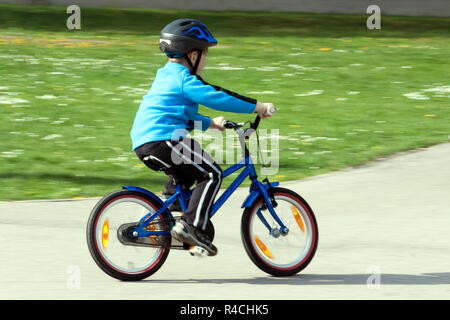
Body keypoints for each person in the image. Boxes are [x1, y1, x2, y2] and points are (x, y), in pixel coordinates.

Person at [130, 19, 274, 256]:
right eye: (205, 55)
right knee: (212, 173)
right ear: (192, 54)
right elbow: (218, 96)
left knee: (185, 175)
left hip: (146, 142)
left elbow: (180, 112)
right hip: (164, 140)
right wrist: (258, 106)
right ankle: (191, 226)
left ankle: (170, 213)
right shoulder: (185, 79)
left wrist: (211, 123)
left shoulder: (166, 76)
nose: (205, 61)